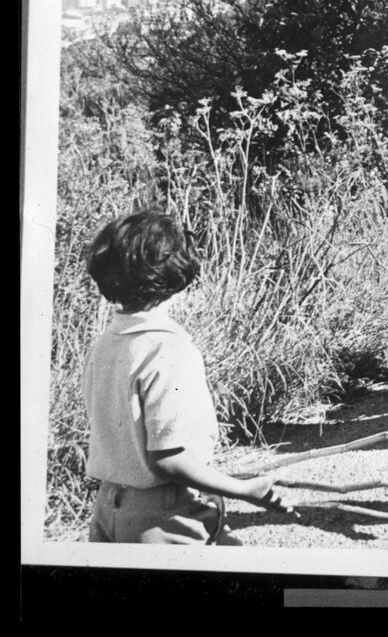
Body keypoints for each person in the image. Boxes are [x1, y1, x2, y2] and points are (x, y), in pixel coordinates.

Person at [82, 210, 296, 543]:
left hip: (108, 508)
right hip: (163, 514)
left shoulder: (107, 343)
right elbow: (169, 459)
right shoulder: (170, 349)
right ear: (176, 274)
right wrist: (243, 489)